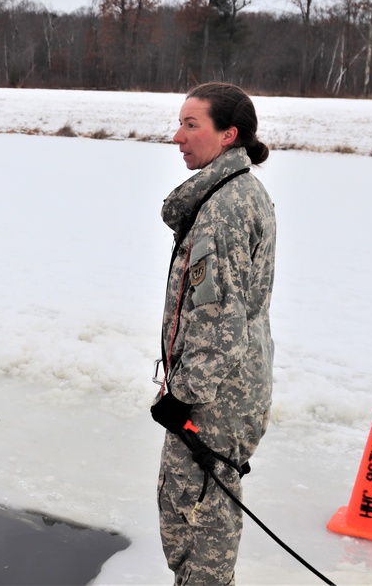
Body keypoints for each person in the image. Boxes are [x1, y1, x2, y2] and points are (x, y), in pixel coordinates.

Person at [150, 82, 276, 585]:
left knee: (198, 517)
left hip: (216, 398)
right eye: (180, 122)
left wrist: (183, 396)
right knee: (196, 506)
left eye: (191, 124)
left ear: (229, 135)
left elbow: (221, 319)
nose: (178, 136)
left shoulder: (224, 208)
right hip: (225, 386)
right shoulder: (231, 192)